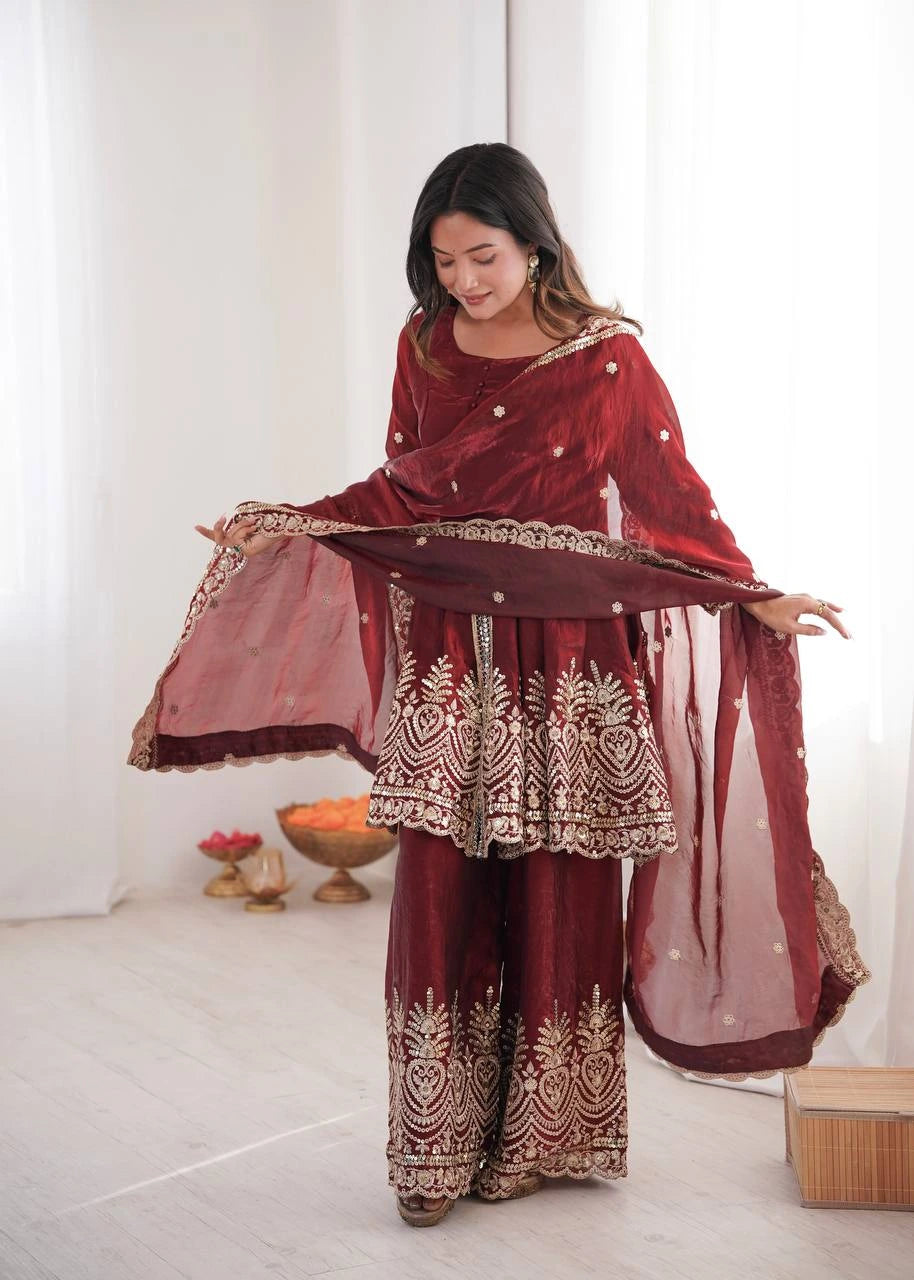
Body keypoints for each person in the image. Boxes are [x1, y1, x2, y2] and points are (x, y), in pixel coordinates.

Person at [128, 143, 870, 1229]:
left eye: (482, 255)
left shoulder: (608, 360)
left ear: (534, 241)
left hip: (569, 662)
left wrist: (750, 593)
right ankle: (432, 1149)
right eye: (442, 259)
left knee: (561, 888)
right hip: (449, 659)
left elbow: (670, 497)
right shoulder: (424, 342)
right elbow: (401, 489)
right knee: (436, 886)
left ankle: (544, 1137)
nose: (464, 280)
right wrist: (284, 521)